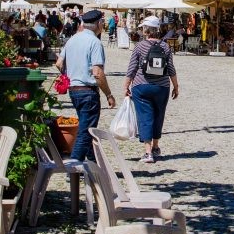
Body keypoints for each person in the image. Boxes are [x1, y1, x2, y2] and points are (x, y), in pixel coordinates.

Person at [55, 9, 115, 162]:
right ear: (97, 24)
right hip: (88, 91)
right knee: (86, 131)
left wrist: (70, 74)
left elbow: (58, 63)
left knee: (85, 126)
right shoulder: (94, 42)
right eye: (102, 22)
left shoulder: (73, 39)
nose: (103, 24)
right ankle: (74, 167)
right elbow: (97, 73)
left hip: (74, 90)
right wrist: (108, 94)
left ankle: (93, 164)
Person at [123, 16, 179, 164]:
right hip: (162, 87)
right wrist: (176, 86)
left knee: (145, 117)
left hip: (142, 86)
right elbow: (171, 68)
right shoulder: (165, 46)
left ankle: (148, 153)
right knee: (158, 116)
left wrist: (126, 85)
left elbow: (132, 68)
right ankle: (155, 147)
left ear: (146, 30)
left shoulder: (140, 46)